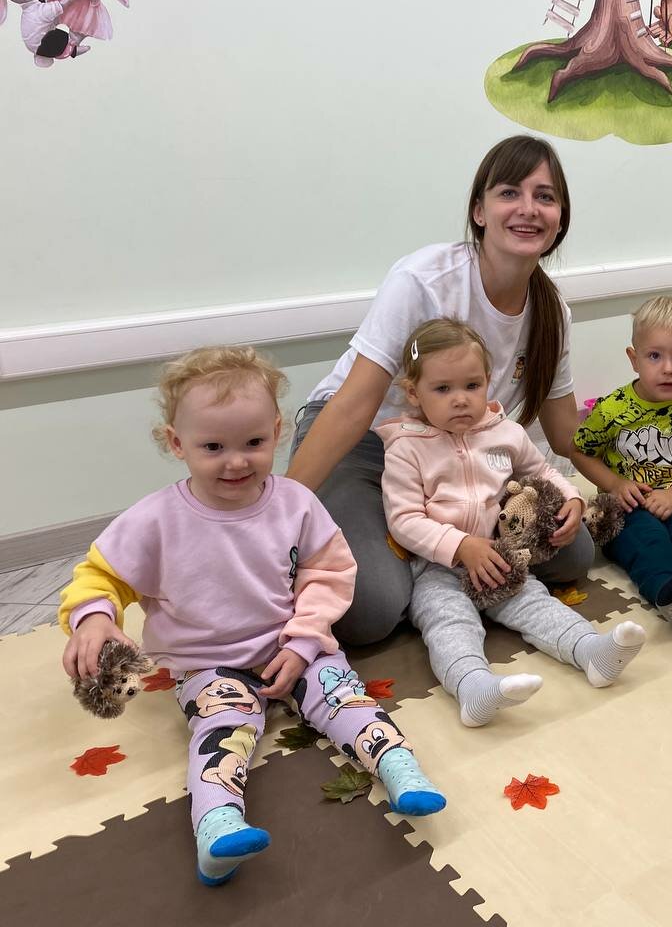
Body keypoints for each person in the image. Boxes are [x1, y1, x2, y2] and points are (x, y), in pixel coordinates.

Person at [58, 347, 444, 887]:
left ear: (277, 432)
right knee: (224, 731)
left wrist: (305, 641)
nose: (236, 462)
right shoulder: (156, 520)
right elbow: (101, 575)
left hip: (293, 645)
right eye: (213, 447)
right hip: (208, 665)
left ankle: (400, 769)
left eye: (254, 443)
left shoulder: (296, 503)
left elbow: (328, 573)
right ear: (176, 443)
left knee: (344, 696)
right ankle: (216, 827)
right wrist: (94, 618)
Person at [287, 135, 590, 646]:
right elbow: (353, 407)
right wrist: (276, 517)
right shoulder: (424, 280)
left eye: (545, 196)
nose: (528, 209)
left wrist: (612, 483)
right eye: (510, 193)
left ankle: (429, 557)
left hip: (459, 455)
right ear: (479, 211)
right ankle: (421, 562)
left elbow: (564, 435)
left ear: (560, 218)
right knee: (371, 610)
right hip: (365, 442)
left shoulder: (551, 311)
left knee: (574, 552)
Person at [379, 320, 646, 727]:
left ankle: (591, 651)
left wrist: (572, 498)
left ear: (488, 381)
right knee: (449, 621)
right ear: (414, 393)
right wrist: (459, 546)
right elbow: (404, 519)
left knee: (534, 600)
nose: (460, 400)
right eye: (442, 389)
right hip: (436, 568)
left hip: (499, 556)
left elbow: (543, 472)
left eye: (472, 386)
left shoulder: (504, 433)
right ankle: (472, 688)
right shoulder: (406, 449)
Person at [572, 296, 672, 628]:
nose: (668, 368)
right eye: (655, 356)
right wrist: (615, 484)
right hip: (630, 503)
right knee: (644, 540)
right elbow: (580, 451)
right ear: (634, 359)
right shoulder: (612, 408)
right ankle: (667, 590)